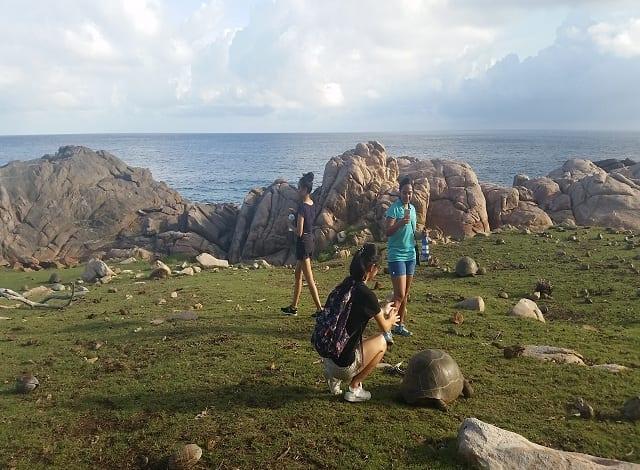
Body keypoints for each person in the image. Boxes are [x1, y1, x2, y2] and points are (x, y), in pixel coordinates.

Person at [322, 243, 399, 402]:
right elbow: (385, 328)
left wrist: (381, 309)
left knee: (358, 339)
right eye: (378, 267)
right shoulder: (367, 295)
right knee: (382, 343)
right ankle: (355, 387)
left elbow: (358, 314)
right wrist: (391, 318)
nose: (378, 271)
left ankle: (333, 379)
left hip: (328, 357)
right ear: (371, 267)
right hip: (343, 366)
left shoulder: (346, 285)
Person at [281, 172, 323, 317]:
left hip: (303, 243)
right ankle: (293, 307)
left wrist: (289, 224)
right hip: (310, 240)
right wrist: (296, 213)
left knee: (309, 278)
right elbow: (308, 221)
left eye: (299, 188)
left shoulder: (302, 207)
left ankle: (320, 309)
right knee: (298, 275)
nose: (298, 191)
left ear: (305, 189)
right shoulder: (311, 204)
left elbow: (298, 232)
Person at [383, 176, 417, 343]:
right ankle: (386, 328)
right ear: (399, 192)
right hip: (396, 256)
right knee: (398, 295)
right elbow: (387, 232)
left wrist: (422, 236)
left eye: (410, 193)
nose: (407, 196)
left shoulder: (413, 209)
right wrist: (401, 223)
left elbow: (412, 231)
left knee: (405, 294)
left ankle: (400, 325)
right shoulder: (394, 209)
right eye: (404, 193)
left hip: (411, 255)